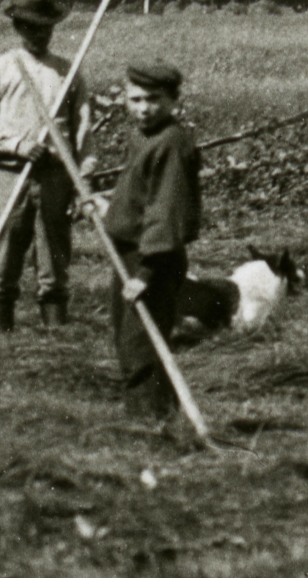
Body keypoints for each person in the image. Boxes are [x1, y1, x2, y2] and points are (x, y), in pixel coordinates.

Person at [0, 0, 91, 331]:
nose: (41, 34)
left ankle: (56, 334)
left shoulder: (67, 72)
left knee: (54, 260)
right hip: (9, 175)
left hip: (55, 178)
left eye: (47, 27)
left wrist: (83, 182)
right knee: (3, 255)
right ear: (18, 27)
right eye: (33, 27)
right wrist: (18, 145)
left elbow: (83, 132)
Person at [97, 62, 201, 418]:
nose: (143, 109)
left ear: (174, 100)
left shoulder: (171, 143)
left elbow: (166, 213)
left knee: (141, 345)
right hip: (128, 252)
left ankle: (150, 424)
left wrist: (146, 273)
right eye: (135, 99)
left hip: (153, 259)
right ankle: (152, 413)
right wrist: (106, 205)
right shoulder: (142, 136)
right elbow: (140, 193)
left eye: (153, 99)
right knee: (128, 340)